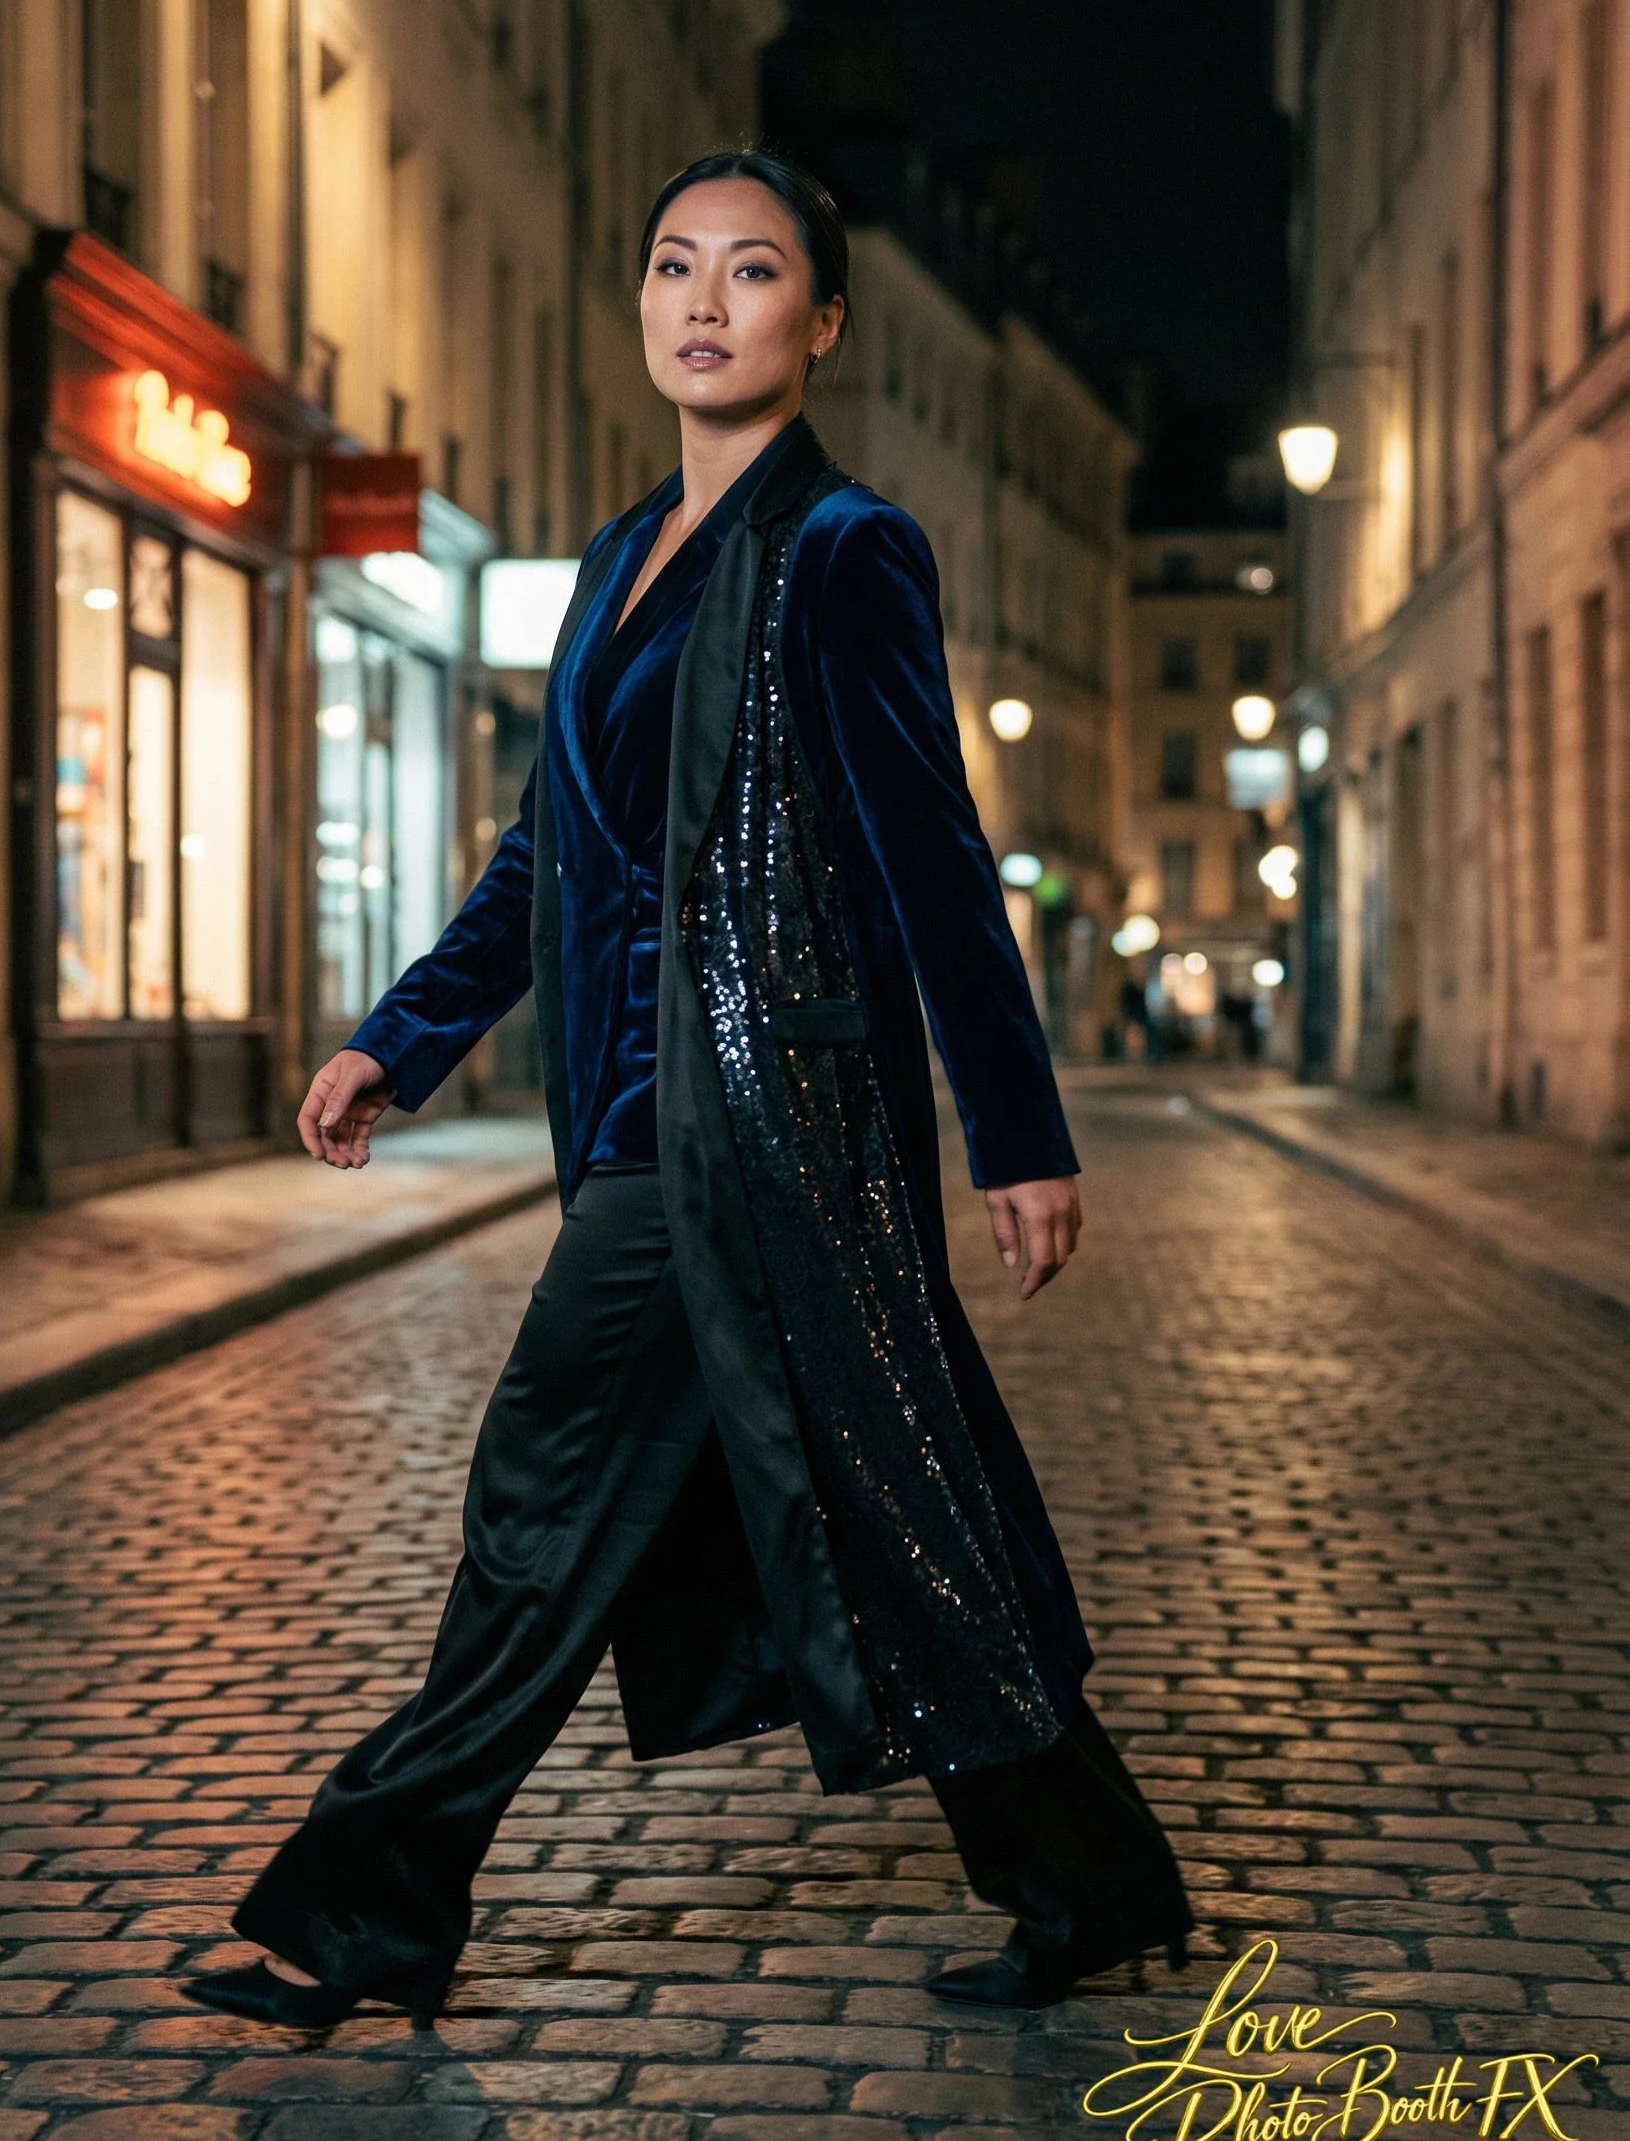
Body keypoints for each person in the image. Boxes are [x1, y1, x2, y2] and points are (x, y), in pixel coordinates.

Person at [186, 150, 1189, 2032]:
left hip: (756, 1138)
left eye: (751, 273)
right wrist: (399, 1037)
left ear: (821, 322)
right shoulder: (614, 554)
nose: (703, 302)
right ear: (641, 305)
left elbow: (932, 859)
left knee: (539, 1506)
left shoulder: (843, 550)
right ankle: (1094, 1881)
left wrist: (1017, 1132)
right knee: (904, 1497)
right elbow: (545, 860)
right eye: (671, 267)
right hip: (646, 1127)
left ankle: (370, 1908)